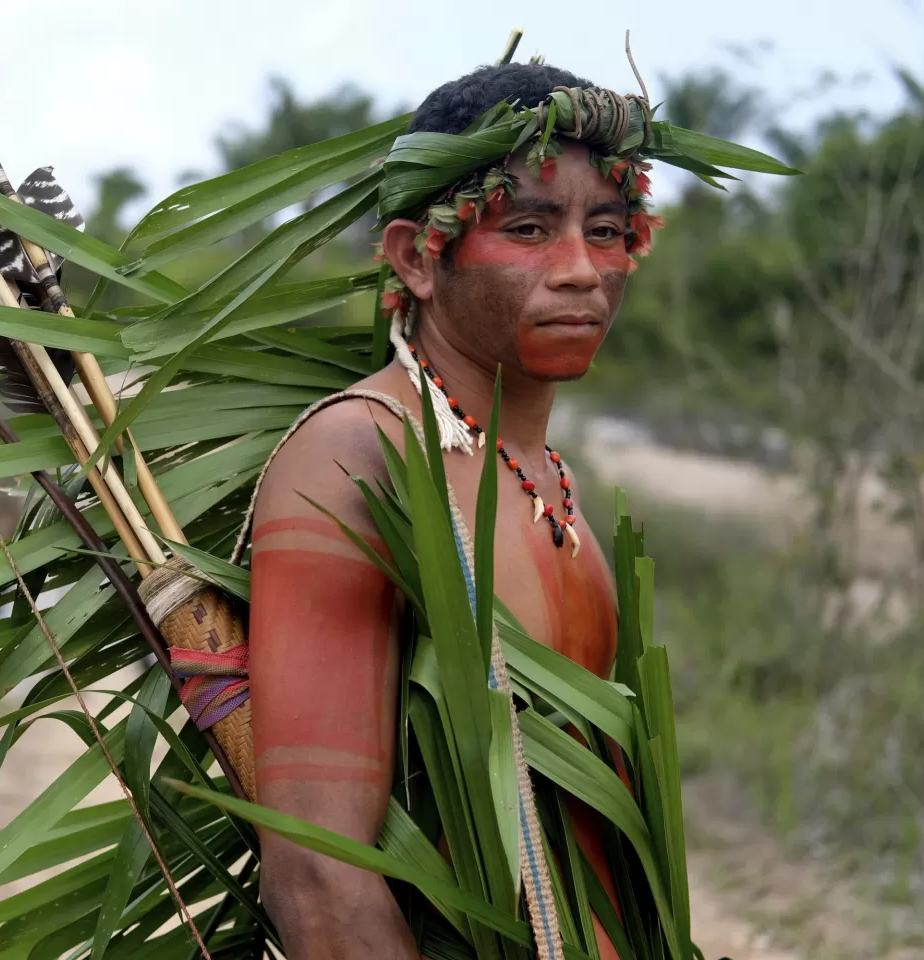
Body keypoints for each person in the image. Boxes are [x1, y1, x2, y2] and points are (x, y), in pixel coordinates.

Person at [249, 60, 637, 960]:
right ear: (418, 258)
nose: (582, 270)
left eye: (607, 230)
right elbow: (318, 876)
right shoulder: (363, 457)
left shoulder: (549, 476)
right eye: (532, 229)